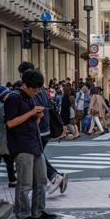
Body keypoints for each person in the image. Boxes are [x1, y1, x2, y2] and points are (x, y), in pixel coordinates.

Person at [4, 69, 57, 219]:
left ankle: (38, 211)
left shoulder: (30, 97)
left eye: (39, 88)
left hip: (35, 143)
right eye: (35, 88)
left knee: (41, 181)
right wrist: (31, 113)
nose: (37, 91)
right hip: (21, 146)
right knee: (25, 183)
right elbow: (10, 123)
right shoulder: (13, 98)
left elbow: (31, 123)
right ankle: (22, 214)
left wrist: (37, 117)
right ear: (26, 85)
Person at [18, 62, 68, 196]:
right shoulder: (41, 87)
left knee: (37, 155)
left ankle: (54, 177)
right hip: (45, 126)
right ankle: (54, 177)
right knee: (38, 155)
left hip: (36, 127)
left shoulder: (27, 86)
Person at [0, 86, 17, 187]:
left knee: (9, 159)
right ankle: (12, 180)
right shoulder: (1, 107)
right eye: (8, 94)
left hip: (3, 137)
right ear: (3, 96)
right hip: (1, 137)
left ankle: (13, 180)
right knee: (1, 159)